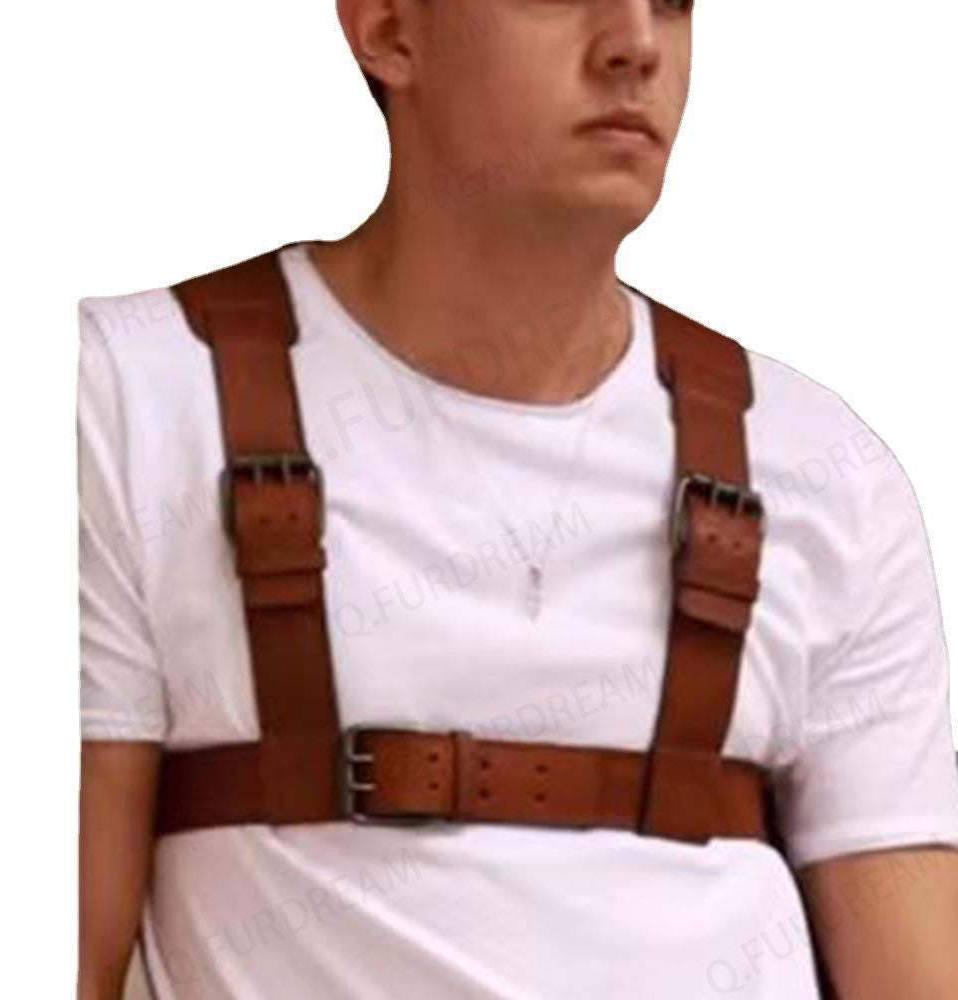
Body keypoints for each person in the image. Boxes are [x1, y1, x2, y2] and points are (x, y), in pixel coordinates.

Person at [77, 1, 958, 998]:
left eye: (674, 0)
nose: (637, 42)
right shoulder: (131, 397)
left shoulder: (821, 467)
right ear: (387, 27)